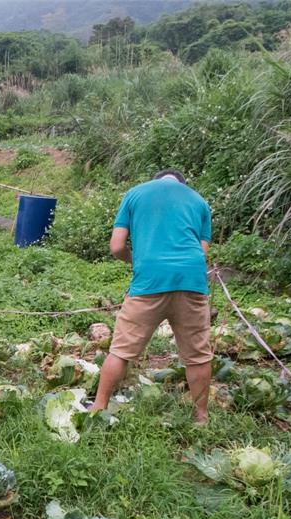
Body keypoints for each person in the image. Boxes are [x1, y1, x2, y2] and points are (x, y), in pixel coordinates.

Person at [91, 169, 213, 423]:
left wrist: (137, 261)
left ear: (156, 180)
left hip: (149, 281)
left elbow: (116, 246)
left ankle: (98, 408)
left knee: (121, 350)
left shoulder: (135, 194)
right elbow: (202, 251)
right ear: (182, 183)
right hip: (190, 280)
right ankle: (201, 418)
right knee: (198, 355)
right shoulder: (198, 200)